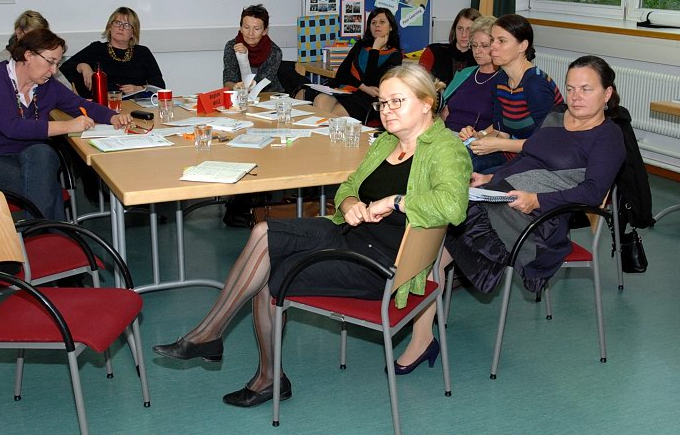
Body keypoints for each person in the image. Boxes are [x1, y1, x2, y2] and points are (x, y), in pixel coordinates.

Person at [153, 63, 471, 405]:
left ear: (426, 103)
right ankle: (211, 335)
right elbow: (349, 185)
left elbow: (453, 207)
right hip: (350, 232)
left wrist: (395, 201)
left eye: (397, 101)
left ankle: (259, 372)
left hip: (382, 263)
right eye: (383, 102)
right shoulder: (386, 142)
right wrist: (350, 202)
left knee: (267, 275)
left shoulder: (446, 149)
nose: (387, 110)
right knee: (263, 231)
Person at [444, 55, 626, 297]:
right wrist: (489, 178)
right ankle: (431, 283)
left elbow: (593, 192)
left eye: (586, 89)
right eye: (570, 89)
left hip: (541, 218)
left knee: (456, 214)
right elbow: (527, 156)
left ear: (607, 93)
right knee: (446, 204)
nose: (575, 97)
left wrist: (537, 200)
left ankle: (430, 283)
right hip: (506, 195)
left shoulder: (608, 137)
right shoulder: (556, 115)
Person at [0, 29, 132, 221]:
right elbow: (12, 127)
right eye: (50, 62)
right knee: (44, 185)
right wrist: (67, 126)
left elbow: (81, 105)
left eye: (57, 64)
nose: (54, 71)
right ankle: (54, 234)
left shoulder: (46, 85)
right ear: (28, 55)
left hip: (30, 158)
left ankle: (46, 234)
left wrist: (113, 117)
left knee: (43, 154)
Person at [458, 13, 564, 173]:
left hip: (542, 163)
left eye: (501, 41)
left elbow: (546, 144)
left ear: (522, 46)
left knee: (476, 178)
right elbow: (502, 132)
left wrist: (499, 144)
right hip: (511, 155)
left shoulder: (535, 85)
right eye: (492, 40)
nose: (493, 47)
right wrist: (479, 137)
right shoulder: (501, 80)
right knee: (454, 158)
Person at [311, 8, 403, 121]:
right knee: (320, 100)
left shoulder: (395, 55)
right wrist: (363, 87)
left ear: (391, 27)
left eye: (382, 22)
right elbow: (341, 74)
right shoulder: (361, 45)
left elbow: (371, 81)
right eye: (373, 23)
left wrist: (375, 50)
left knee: (335, 115)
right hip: (346, 90)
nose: (377, 25)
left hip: (367, 100)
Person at [60, 6, 165, 99]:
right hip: (102, 105)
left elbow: (159, 86)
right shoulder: (96, 48)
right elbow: (63, 70)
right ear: (110, 27)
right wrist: (83, 66)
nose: (121, 28)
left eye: (127, 25)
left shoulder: (143, 52)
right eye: (117, 23)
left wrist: (139, 88)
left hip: (135, 103)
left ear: (133, 33)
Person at [440, 15, 498, 133]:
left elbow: (504, 124)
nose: (477, 51)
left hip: (476, 139)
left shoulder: (504, 79)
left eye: (484, 46)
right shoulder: (465, 74)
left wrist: (480, 135)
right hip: (446, 134)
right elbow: (443, 110)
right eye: (474, 45)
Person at [0, 10, 73, 90]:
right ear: (19, 33)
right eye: (31, 37)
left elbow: (67, 89)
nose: (37, 42)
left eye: (42, 38)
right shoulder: (0, 60)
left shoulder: (48, 61)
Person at [223, 4, 284, 93]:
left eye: (256, 29)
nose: (250, 33)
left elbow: (259, 86)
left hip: (269, 96)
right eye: (246, 27)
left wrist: (244, 58)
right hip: (240, 96)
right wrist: (235, 87)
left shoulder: (274, 52)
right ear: (241, 28)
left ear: (265, 31)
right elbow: (228, 80)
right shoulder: (232, 47)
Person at [419, 8, 480, 84]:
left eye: (469, 29)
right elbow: (419, 85)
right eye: (460, 28)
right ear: (454, 29)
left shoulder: (481, 58)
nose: (464, 35)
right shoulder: (434, 51)